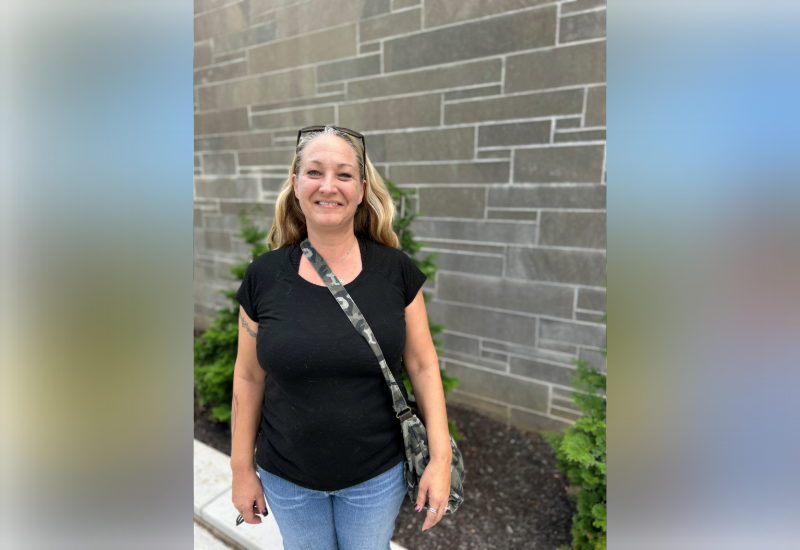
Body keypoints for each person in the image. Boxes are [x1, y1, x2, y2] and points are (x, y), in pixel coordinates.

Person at [231, 125, 453, 549]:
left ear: (362, 187)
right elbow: (247, 377)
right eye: (314, 172)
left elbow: (423, 364)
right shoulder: (263, 276)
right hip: (288, 479)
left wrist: (440, 459)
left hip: (375, 477)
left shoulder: (395, 271)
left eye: (344, 174)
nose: (328, 186)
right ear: (295, 184)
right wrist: (241, 469)